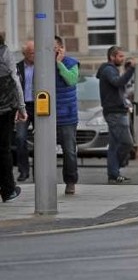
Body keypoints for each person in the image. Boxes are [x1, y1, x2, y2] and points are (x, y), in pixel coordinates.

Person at [97, 46, 135, 184]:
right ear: (112, 57)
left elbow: (120, 86)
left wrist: (127, 70)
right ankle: (116, 167)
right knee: (127, 142)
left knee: (114, 145)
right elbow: (118, 82)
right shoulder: (108, 70)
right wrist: (131, 69)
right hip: (115, 112)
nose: (122, 58)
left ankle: (113, 174)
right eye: (120, 56)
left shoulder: (112, 70)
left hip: (118, 111)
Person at [0, 32, 27, 203]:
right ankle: (8, 190)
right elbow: (15, 81)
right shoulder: (5, 53)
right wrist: (21, 107)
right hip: (4, 108)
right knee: (3, 149)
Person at [54, 36, 80, 195]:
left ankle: (70, 181)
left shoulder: (71, 62)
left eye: (56, 47)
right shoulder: (42, 63)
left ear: (61, 48)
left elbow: (71, 80)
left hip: (67, 115)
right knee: (42, 151)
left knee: (69, 151)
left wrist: (59, 64)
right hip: (47, 115)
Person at [14, 40, 35, 182]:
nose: (34, 55)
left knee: (41, 140)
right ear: (25, 54)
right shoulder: (17, 67)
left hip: (40, 105)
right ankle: (24, 170)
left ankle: (39, 172)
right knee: (20, 138)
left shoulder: (43, 66)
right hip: (23, 106)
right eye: (32, 52)